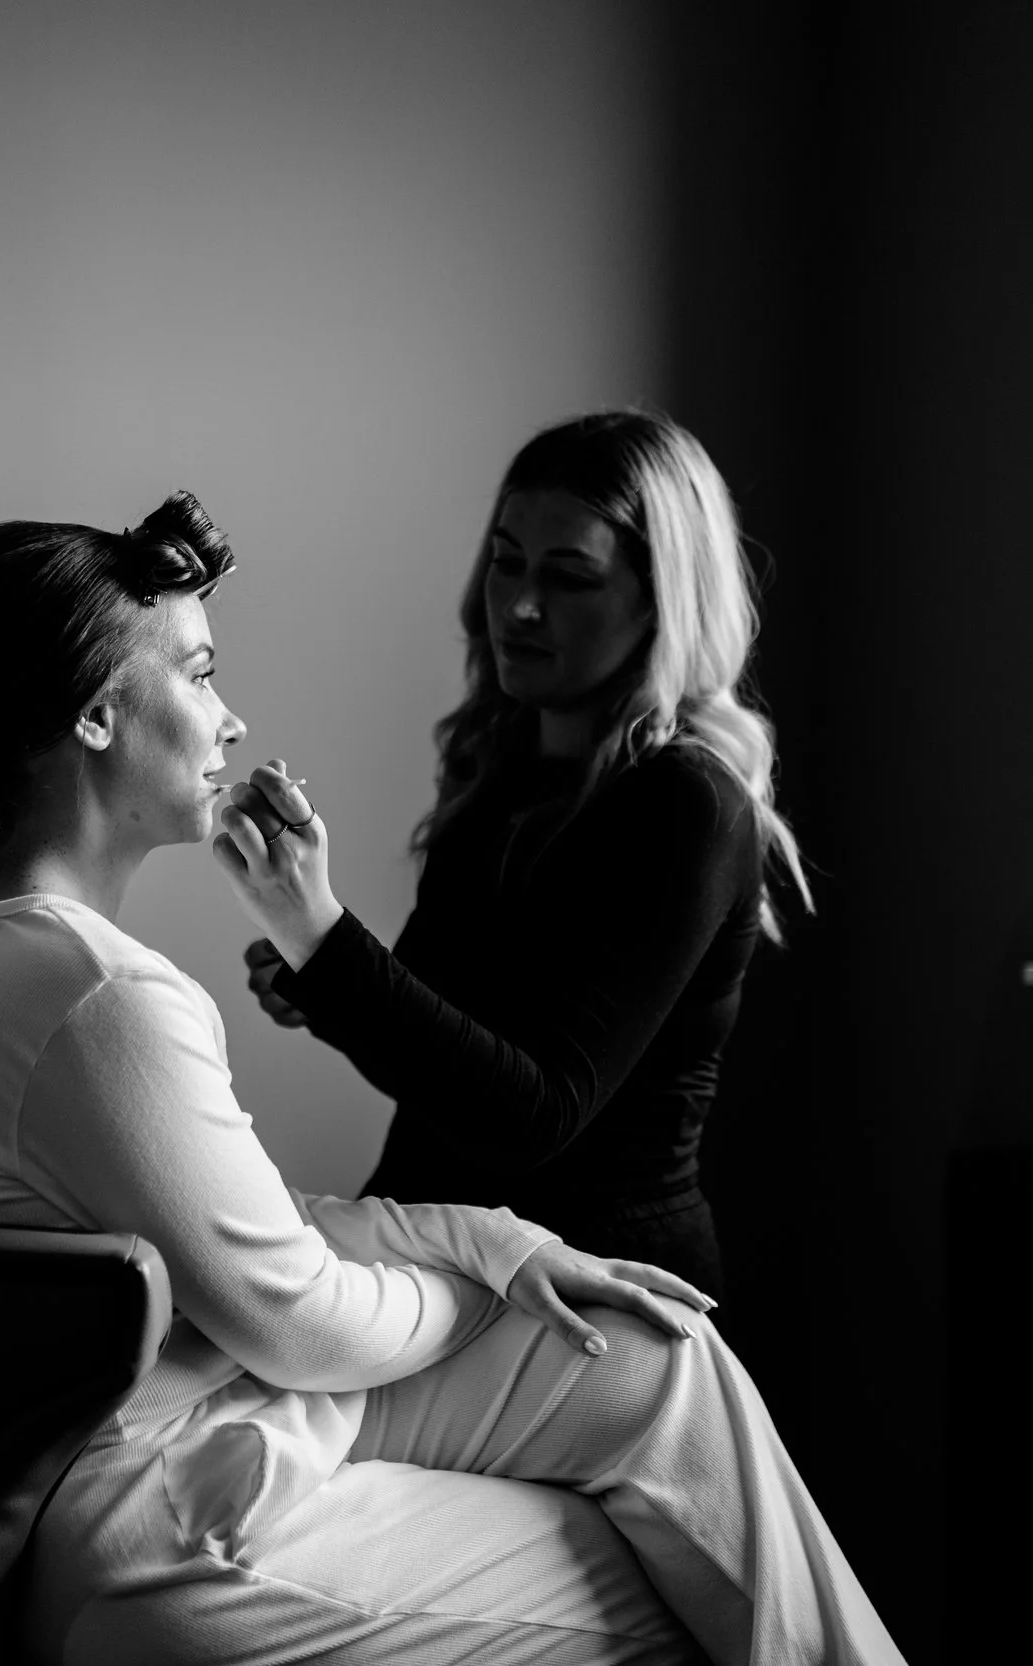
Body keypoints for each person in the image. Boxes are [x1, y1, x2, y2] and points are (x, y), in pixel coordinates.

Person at [0, 497, 898, 1664]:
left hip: (194, 1417)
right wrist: (478, 1289)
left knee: (656, 1359)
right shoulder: (97, 994)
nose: (230, 716)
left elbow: (249, 1228)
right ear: (99, 714)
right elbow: (301, 1324)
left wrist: (492, 1241)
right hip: (178, 1514)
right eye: (200, 675)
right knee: (670, 1584)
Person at [232, 409, 810, 1298]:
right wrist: (321, 982)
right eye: (507, 563)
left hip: (600, 1287)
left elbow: (529, 1116)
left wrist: (324, 938)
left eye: (569, 577)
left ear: (664, 601)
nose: (520, 606)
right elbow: (449, 1066)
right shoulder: (500, 770)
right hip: (448, 1255)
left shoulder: (686, 802)